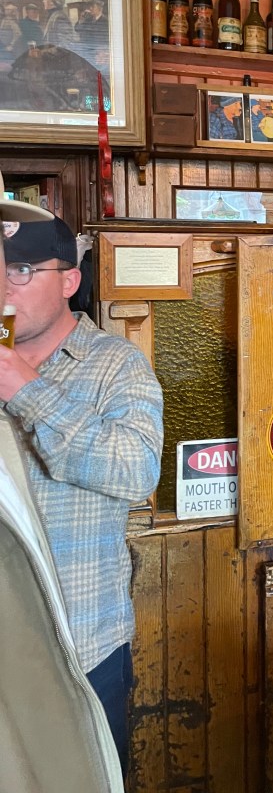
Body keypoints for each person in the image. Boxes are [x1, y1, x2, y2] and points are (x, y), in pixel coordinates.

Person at [0, 214, 164, 774]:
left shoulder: (117, 366)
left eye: (20, 269)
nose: (3, 286)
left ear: (69, 280)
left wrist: (25, 389)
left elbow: (137, 472)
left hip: (81, 646)